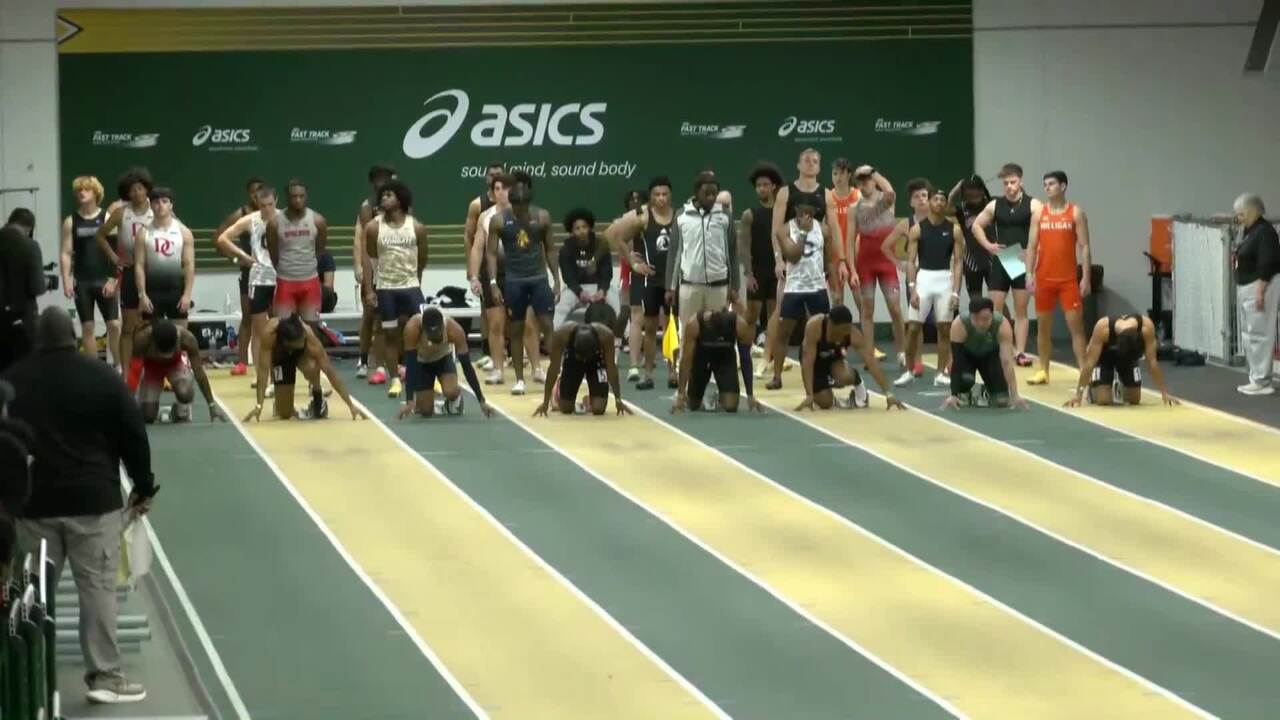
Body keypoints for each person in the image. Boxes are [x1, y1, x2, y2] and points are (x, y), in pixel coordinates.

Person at [2, 307, 154, 704]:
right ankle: (105, 676)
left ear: (37, 339)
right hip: (94, 503)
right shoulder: (102, 376)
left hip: (33, 505)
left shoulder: (13, 379)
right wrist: (143, 486)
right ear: (73, 337)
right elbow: (133, 432)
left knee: (30, 596)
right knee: (98, 590)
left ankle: (24, 679)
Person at [485, 178, 558, 396]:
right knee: (516, 329)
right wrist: (493, 283)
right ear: (511, 203)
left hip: (538, 279)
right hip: (514, 281)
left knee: (547, 325)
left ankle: (557, 373)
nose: (519, 210)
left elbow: (551, 248)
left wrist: (557, 280)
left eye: (523, 206)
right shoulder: (499, 221)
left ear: (528, 203)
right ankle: (519, 379)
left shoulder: (542, 217)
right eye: (515, 206)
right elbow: (491, 253)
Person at [606, 177, 675, 390]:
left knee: (672, 327)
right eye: (657, 195)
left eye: (664, 194)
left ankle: (673, 371)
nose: (661, 198)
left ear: (670, 195)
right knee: (650, 327)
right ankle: (648, 374)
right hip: (649, 279)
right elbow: (618, 238)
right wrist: (633, 262)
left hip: (671, 279)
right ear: (651, 197)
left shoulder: (679, 218)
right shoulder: (643, 218)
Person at [363, 179, 428, 399]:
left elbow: (422, 259)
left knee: (422, 332)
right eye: (382, 195)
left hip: (411, 287)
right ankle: (395, 380)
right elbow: (371, 260)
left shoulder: (416, 227)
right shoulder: (374, 228)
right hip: (386, 289)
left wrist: (415, 280)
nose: (383, 198)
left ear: (400, 200)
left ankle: (425, 376)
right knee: (390, 335)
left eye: (389, 195)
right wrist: (370, 290)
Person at [1025, 170, 1092, 384]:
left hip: (1068, 281)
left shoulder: (1075, 213)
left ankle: (1084, 371)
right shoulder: (1039, 214)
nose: (1047, 187)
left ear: (1062, 186)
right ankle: (1043, 371)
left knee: (1076, 328)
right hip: (1044, 279)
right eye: (1045, 184)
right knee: (1043, 328)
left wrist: (1086, 277)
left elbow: (1085, 247)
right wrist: (1029, 274)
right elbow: (1031, 246)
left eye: (1052, 184)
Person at [971, 163, 1040, 366]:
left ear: (1021, 181)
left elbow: (1042, 233)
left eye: (1013, 182)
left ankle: (1020, 352)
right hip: (1003, 258)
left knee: (1021, 310)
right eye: (1006, 183)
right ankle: (999, 349)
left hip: (1021, 259)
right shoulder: (995, 205)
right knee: (995, 310)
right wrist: (989, 246)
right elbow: (976, 226)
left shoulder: (1033, 205)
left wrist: (1033, 256)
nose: (1009, 186)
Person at [244, 314, 363, 421]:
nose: (302, 342)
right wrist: (259, 405)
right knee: (284, 414)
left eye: (302, 340)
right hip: (280, 358)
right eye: (298, 343)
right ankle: (282, 402)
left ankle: (317, 397)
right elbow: (263, 371)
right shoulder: (269, 334)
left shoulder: (307, 335)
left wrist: (350, 405)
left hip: (302, 356)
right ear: (286, 341)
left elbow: (329, 370)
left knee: (313, 366)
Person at [902, 186, 964, 387]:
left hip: (944, 280)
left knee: (944, 329)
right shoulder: (917, 229)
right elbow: (910, 261)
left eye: (942, 199)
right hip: (924, 280)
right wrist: (912, 288)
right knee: (913, 327)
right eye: (935, 199)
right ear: (929, 202)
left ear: (946, 204)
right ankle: (908, 371)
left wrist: (956, 291)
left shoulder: (954, 230)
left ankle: (940, 373)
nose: (938, 202)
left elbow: (958, 262)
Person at [215, 185, 279, 380]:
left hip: (280, 279)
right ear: (257, 203)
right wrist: (242, 256)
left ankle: (278, 374)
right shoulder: (250, 220)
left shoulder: (284, 218)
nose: (267, 209)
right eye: (263, 205)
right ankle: (261, 376)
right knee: (259, 329)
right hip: (258, 280)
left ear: (276, 202)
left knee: (280, 328)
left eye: (270, 205)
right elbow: (223, 238)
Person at [95, 168, 154, 378]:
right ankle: (126, 374)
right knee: (128, 326)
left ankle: (152, 371)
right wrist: (114, 257)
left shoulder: (157, 210)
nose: (137, 193)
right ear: (127, 193)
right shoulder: (121, 213)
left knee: (151, 325)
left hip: (153, 272)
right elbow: (100, 235)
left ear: (147, 189)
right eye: (132, 190)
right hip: (129, 272)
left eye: (140, 188)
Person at [768, 202, 834, 389]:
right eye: (801, 212)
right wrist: (803, 232)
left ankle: (826, 374)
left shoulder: (823, 230)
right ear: (795, 212)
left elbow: (829, 257)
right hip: (794, 288)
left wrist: (829, 275)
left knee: (824, 333)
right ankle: (777, 377)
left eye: (809, 212)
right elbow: (793, 256)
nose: (805, 215)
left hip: (817, 287)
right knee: (783, 333)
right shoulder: (784, 230)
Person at [794, 304, 905, 411]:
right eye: (841, 330)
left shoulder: (852, 333)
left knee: (845, 376)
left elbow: (871, 361)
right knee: (825, 402)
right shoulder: (814, 327)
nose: (844, 334)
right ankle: (829, 394)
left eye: (847, 329)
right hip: (814, 360)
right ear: (831, 324)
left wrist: (889, 394)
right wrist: (809, 395)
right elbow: (807, 362)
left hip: (834, 357)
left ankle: (856, 380)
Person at [667, 172, 741, 328]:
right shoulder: (681, 216)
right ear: (696, 193)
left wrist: (735, 286)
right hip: (689, 286)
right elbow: (674, 253)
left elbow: (732, 252)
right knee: (688, 331)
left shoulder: (725, 216)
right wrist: (670, 287)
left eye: (714, 193)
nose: (711, 197)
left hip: (719, 286)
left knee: (717, 332)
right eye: (706, 193)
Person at [61, 176, 121, 365]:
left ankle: (120, 367)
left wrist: (113, 279)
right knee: (87, 327)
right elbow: (66, 253)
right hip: (82, 281)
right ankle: (93, 370)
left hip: (104, 279)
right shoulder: (71, 221)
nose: (82, 193)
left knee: (114, 325)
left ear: (96, 193)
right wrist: (66, 280)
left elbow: (116, 250)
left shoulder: (106, 217)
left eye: (86, 189)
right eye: (79, 190)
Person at [397, 306, 494, 419]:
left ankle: (455, 396)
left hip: (443, 359)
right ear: (423, 328)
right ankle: (426, 403)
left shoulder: (455, 330)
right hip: (422, 362)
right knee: (425, 411)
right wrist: (409, 401)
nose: (435, 339)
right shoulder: (412, 329)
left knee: (450, 391)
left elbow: (467, 367)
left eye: (438, 334)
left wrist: (481, 401)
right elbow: (411, 365)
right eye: (431, 336)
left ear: (442, 326)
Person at [849, 165, 904, 363]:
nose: (864, 184)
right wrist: (852, 270)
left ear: (874, 180)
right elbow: (849, 242)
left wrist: (872, 172)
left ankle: (902, 352)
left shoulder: (886, 200)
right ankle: (869, 354)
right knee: (867, 310)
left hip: (886, 263)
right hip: (865, 264)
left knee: (895, 309)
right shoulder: (854, 208)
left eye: (867, 180)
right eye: (860, 181)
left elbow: (890, 190)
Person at [534, 304, 630, 416]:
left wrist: (618, 399)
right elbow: (554, 368)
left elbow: (611, 368)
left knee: (599, 410)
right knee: (566, 409)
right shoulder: (562, 334)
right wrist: (545, 402)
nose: (584, 359)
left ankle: (589, 399)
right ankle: (558, 389)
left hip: (596, 360)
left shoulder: (606, 336)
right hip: (573, 359)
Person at [1065, 313, 1177, 406]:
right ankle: (1093, 389)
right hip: (1104, 356)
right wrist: (1079, 394)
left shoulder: (1146, 328)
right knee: (1104, 400)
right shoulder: (1103, 329)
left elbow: (1152, 362)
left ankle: (1120, 384)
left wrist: (1164, 393)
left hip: (1128, 358)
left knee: (1134, 400)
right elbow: (1089, 363)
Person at [129, 319, 226, 423]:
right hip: (152, 369)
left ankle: (179, 411)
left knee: (185, 392)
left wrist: (211, 405)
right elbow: (134, 371)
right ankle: (154, 409)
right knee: (148, 415)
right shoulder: (141, 339)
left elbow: (199, 371)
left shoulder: (187, 338)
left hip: (175, 366)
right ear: (152, 341)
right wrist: (128, 403)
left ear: (177, 340)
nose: (164, 358)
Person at [941, 297, 1028, 410]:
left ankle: (985, 390)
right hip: (967, 356)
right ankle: (965, 391)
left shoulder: (1002, 325)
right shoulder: (959, 324)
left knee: (1002, 401)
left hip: (990, 356)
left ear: (992, 315)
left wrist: (1015, 395)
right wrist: (953, 394)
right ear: (970, 316)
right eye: (976, 319)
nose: (981, 323)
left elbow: (1007, 361)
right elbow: (956, 360)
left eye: (985, 319)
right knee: (965, 379)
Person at [1231, 192, 1280, 395]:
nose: (1238, 218)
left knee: (1260, 334)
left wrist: (1260, 291)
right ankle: (1256, 377)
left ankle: (1262, 381)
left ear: (1253, 211)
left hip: (1259, 286)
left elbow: (1268, 263)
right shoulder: (1249, 231)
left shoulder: (1265, 232)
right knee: (1249, 334)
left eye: (1241, 214)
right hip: (1247, 286)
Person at [672, 308, 764, 413]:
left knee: (731, 406)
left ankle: (719, 397)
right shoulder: (694, 324)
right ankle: (696, 394)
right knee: (693, 405)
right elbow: (686, 360)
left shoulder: (739, 324)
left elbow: (745, 358)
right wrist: (681, 393)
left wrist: (750, 395)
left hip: (725, 358)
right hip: (701, 359)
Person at [887, 178, 932, 385]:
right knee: (916, 322)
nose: (921, 199)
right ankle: (918, 361)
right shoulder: (906, 224)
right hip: (916, 278)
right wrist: (899, 263)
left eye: (924, 195)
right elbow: (886, 246)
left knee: (944, 321)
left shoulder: (939, 220)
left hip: (938, 275)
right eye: (917, 197)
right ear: (911, 202)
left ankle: (948, 362)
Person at [354, 165, 395, 381]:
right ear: (373, 182)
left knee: (390, 319)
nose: (383, 182)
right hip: (374, 265)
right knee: (370, 315)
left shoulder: (400, 204)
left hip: (394, 267)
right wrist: (362, 268)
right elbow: (363, 242)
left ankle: (392, 362)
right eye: (379, 179)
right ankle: (363, 359)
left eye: (386, 178)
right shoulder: (367, 206)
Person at [740, 163, 784, 363]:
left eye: (765, 185)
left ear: (773, 186)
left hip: (777, 272)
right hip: (757, 272)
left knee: (774, 317)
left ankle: (770, 358)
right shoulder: (749, 215)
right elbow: (744, 247)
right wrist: (748, 275)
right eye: (758, 186)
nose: (761, 189)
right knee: (751, 317)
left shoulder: (782, 213)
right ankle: (745, 355)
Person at [267, 179, 327, 323]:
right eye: (294, 196)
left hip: (310, 282)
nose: (298, 200)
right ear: (287, 198)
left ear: (306, 197)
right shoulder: (274, 223)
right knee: (284, 328)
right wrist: (286, 268)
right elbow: (273, 254)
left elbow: (320, 250)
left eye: (301, 196)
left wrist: (306, 266)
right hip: (285, 282)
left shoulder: (318, 221)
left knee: (311, 328)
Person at [463, 163, 504, 368]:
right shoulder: (477, 205)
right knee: (486, 308)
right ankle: (487, 351)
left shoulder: (511, 204)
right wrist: (471, 269)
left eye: (499, 174)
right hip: (484, 264)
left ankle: (508, 351)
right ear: (486, 178)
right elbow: (468, 237)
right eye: (491, 174)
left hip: (507, 264)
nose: (495, 177)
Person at [134, 187, 194, 325]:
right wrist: (142, 295)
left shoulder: (184, 232)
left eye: (165, 201)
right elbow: (139, 266)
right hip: (152, 293)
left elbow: (189, 265)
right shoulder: (143, 233)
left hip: (176, 292)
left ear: (171, 205)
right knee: (150, 334)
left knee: (180, 334)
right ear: (150, 205)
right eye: (156, 202)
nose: (160, 205)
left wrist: (187, 295)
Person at [0, 208, 43, 372]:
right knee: (23, 371)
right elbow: (37, 287)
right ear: (29, 229)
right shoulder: (30, 246)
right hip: (21, 321)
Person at [555, 208, 613, 327]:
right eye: (577, 228)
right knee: (561, 306)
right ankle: (554, 334)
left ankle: (624, 334)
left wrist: (602, 290)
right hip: (576, 289)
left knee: (615, 301)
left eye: (584, 227)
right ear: (572, 231)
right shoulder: (565, 250)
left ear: (590, 228)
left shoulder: (601, 246)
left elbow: (607, 272)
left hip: (599, 287)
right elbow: (568, 277)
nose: (581, 231)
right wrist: (579, 292)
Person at [950, 175, 994, 301]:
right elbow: (945, 209)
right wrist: (954, 192)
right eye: (969, 193)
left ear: (982, 190)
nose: (974, 196)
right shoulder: (962, 208)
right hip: (971, 261)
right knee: (975, 301)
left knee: (998, 300)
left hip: (993, 260)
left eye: (977, 191)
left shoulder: (993, 204)